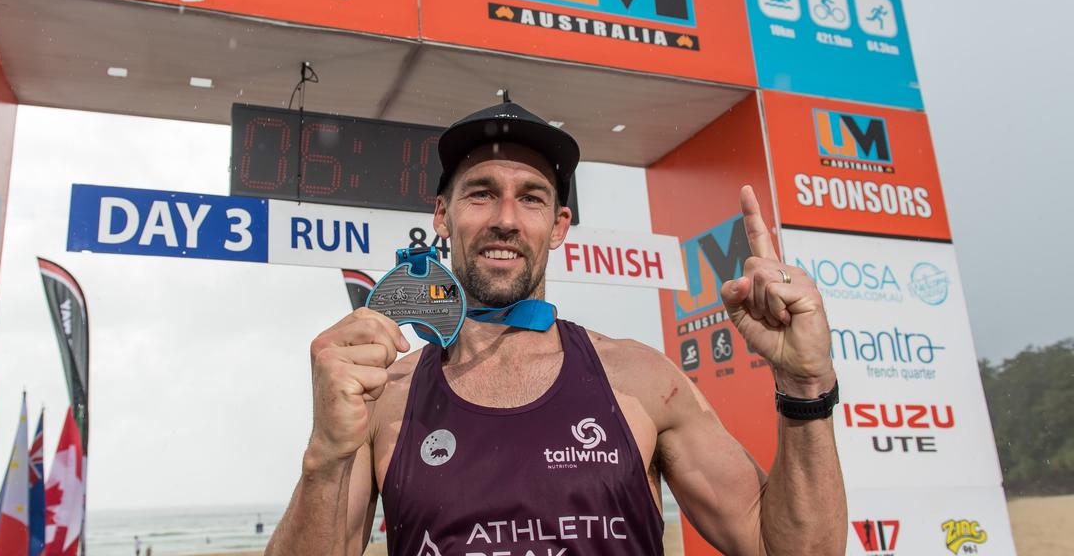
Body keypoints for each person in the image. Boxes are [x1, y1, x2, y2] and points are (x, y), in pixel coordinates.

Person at [265, 101, 846, 556]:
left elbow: (784, 548)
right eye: (481, 193)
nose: (505, 220)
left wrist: (805, 386)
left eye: (532, 198)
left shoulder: (640, 380)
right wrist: (323, 456)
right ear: (442, 215)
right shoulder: (386, 399)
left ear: (561, 224)